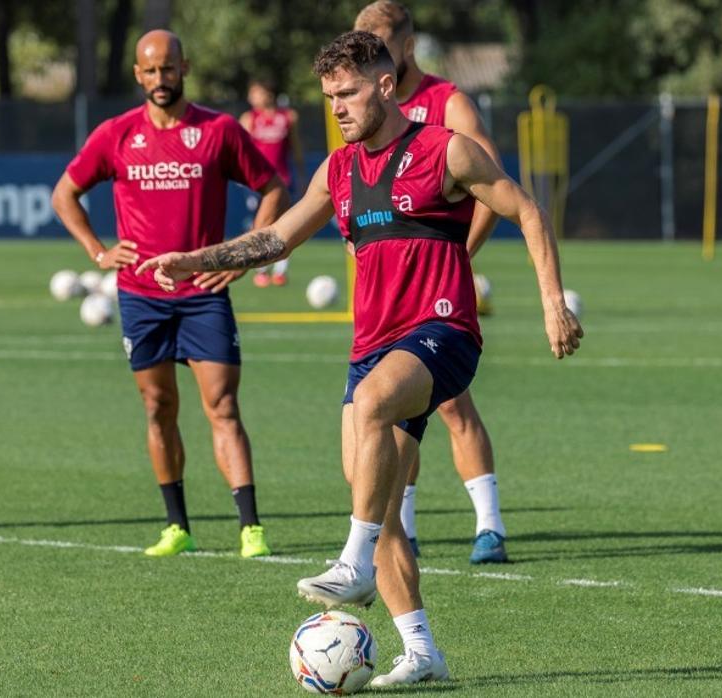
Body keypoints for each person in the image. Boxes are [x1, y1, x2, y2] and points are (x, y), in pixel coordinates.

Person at [138, 31, 581, 684]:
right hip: (372, 346)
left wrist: (553, 304)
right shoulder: (338, 170)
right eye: (328, 97)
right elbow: (277, 237)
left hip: (442, 334)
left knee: (372, 420)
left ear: (383, 83)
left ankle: (352, 563)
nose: (337, 108)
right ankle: (422, 649)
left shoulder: (445, 151)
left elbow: (528, 212)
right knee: (374, 494)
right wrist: (196, 259)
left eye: (346, 93)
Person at [51, 30, 288, 559]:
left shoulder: (220, 130)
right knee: (158, 407)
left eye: (169, 69)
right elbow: (65, 193)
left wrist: (246, 256)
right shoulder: (115, 134)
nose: (161, 80)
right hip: (140, 295)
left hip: (203, 292)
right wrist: (96, 250)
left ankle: (250, 527)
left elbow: (273, 188)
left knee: (222, 405)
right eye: (151, 71)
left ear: (185, 67)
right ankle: (177, 526)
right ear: (138, 74)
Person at [355, 0, 508, 563]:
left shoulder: (447, 102)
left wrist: (459, 253)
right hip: (383, 290)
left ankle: (489, 527)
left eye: (378, 49)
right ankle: (404, 527)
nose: (366, 63)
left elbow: (496, 182)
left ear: (407, 46)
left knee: (451, 405)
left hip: (436, 290)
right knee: (391, 415)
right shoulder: (361, 102)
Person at [240, 79, 303, 287]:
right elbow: (241, 153)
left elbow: (296, 150)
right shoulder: (249, 119)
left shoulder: (288, 117)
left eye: (256, 92)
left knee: (285, 224)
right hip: (258, 183)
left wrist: (302, 177)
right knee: (260, 225)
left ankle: (280, 271)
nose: (252, 98)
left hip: (284, 181)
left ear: (268, 93)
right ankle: (261, 269)